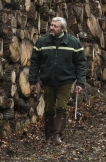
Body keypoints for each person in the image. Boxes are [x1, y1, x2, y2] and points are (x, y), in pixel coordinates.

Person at [28, 17, 87, 145]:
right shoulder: (42, 42)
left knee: (61, 106)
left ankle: (57, 136)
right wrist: (32, 80)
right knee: (49, 108)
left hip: (65, 80)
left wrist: (80, 82)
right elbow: (35, 62)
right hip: (48, 80)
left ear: (63, 29)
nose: (52, 28)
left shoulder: (73, 43)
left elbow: (81, 63)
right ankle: (48, 136)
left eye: (55, 26)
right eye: (51, 25)